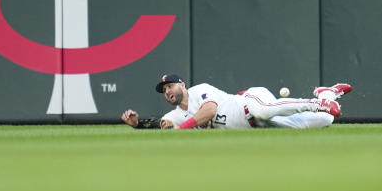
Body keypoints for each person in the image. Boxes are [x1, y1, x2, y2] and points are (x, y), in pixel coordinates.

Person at [121, 73, 352, 130]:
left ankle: (315, 102)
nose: (167, 91)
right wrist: (138, 124)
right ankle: (326, 95)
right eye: (164, 90)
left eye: (170, 86)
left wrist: (181, 128)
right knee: (326, 120)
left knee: (262, 110)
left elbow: (209, 111)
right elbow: (163, 126)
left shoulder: (199, 90)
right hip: (262, 125)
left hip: (249, 101)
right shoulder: (173, 116)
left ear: (182, 85)